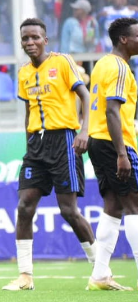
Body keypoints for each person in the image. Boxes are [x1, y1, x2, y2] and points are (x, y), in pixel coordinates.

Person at [2, 17, 96, 291]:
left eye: (34, 37)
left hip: (65, 139)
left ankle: (100, 270)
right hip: (36, 145)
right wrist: (28, 140)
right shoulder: (23, 73)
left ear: (45, 40)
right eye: (25, 38)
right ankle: (25, 277)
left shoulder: (62, 62)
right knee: (24, 207)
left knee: (68, 211)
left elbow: (85, 96)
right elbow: (28, 110)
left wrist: (84, 131)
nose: (30, 42)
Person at [86, 17, 138, 291]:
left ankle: (99, 275)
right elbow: (111, 110)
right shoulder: (119, 67)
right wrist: (122, 153)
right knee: (134, 206)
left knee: (113, 206)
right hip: (114, 143)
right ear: (124, 39)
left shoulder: (103, 63)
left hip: (98, 140)